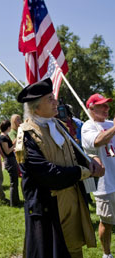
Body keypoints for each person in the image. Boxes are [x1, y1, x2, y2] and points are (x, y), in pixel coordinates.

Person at [16, 78, 105, 258]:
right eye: (50, 99)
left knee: (74, 249)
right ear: (36, 107)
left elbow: (75, 151)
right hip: (49, 208)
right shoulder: (27, 135)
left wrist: (91, 160)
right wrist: (85, 172)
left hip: (71, 201)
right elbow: (48, 174)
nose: (56, 102)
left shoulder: (59, 126)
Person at [81, 93, 115, 258]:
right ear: (91, 108)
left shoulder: (111, 123)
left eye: (107, 105)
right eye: (102, 105)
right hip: (105, 184)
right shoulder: (88, 126)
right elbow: (97, 141)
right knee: (107, 222)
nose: (107, 108)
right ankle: (106, 254)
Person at [0, 120, 20, 206]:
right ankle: (13, 203)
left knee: (15, 182)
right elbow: (7, 151)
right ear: (8, 127)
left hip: (12, 159)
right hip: (9, 160)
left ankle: (16, 200)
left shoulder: (6, 136)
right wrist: (14, 146)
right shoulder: (3, 137)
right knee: (13, 182)